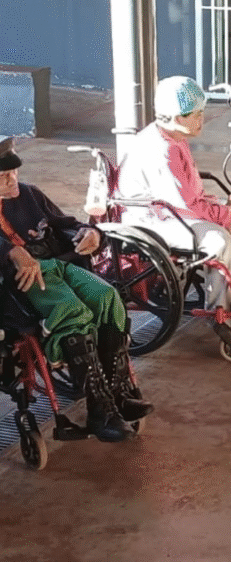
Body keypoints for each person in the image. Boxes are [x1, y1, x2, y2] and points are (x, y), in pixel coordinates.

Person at [0, 137, 152, 442]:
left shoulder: (29, 194)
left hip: (58, 264)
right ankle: (101, 411)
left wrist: (89, 232)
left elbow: (63, 223)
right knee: (73, 311)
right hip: (19, 281)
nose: (12, 178)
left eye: (13, 171)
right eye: (2, 175)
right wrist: (10, 251)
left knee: (107, 297)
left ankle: (119, 394)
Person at [116, 76, 231, 314]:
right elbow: (184, 202)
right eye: (196, 114)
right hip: (152, 220)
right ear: (176, 118)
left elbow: (187, 194)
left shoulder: (174, 137)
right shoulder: (163, 150)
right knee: (220, 240)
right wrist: (226, 216)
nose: (202, 119)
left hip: (171, 211)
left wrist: (226, 209)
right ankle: (222, 311)